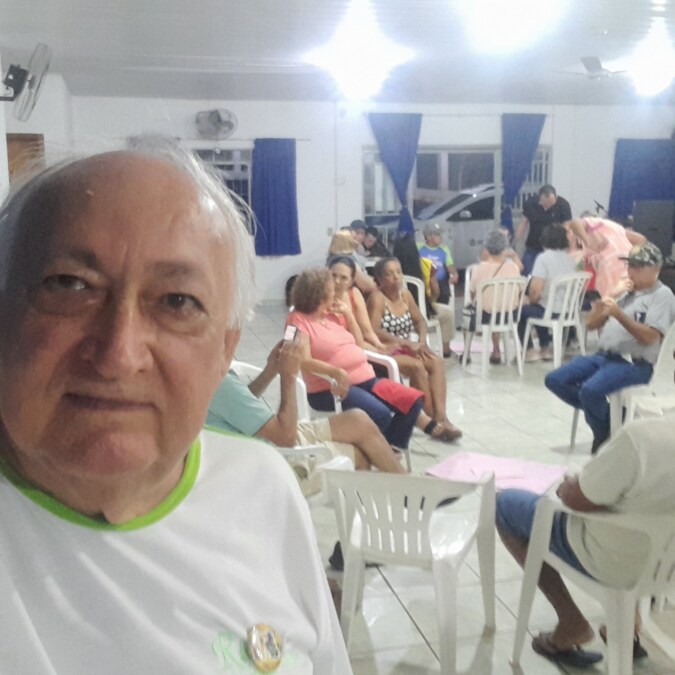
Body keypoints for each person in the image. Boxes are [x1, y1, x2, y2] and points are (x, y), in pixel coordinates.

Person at [0, 140, 351, 674]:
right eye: (70, 285)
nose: (119, 354)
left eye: (177, 302)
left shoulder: (264, 487)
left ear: (224, 352)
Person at [496, 413, 675, 668]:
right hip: (666, 566)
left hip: (609, 559)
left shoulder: (642, 438)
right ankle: (628, 620)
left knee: (503, 505)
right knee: (644, 510)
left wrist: (569, 486)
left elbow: (577, 499)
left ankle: (571, 622)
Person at [287, 267, 459, 446]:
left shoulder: (331, 314)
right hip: (331, 388)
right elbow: (302, 360)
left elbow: (358, 343)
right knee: (380, 413)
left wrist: (348, 315)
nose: (336, 293)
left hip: (366, 379)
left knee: (413, 401)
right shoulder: (295, 320)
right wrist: (335, 372)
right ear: (319, 295)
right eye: (331, 290)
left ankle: (390, 448)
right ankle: (385, 450)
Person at [207, 338, 406, 477]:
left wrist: (270, 371)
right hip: (271, 457)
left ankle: (407, 487)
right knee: (359, 454)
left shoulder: (211, 370)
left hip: (263, 433)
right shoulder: (217, 381)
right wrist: (289, 376)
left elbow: (237, 404)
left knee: (357, 420)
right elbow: (285, 438)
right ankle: (404, 495)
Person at [545, 241, 673, 453]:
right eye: (630, 265)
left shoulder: (662, 295)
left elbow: (650, 337)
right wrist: (611, 295)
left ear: (655, 269)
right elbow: (591, 324)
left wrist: (619, 314)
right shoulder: (625, 291)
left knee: (590, 391)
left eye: (638, 266)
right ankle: (611, 421)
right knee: (555, 379)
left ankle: (603, 434)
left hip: (634, 363)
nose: (631, 271)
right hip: (604, 356)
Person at [367, 257, 462, 441]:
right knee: (417, 367)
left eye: (398, 272)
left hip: (405, 347)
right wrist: (404, 343)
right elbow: (373, 330)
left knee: (436, 361)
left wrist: (421, 341)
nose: (396, 277)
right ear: (379, 279)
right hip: (384, 350)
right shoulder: (377, 299)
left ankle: (441, 416)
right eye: (389, 274)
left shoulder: (406, 295)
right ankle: (435, 422)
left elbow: (420, 321)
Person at [519, 223, 577, 362]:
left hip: (551, 311)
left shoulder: (543, 258)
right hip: (569, 311)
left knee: (520, 311)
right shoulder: (570, 259)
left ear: (544, 239)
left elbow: (535, 292)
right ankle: (545, 349)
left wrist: (527, 300)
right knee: (539, 306)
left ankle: (530, 350)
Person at [394, 231, 456, 358]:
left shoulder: (389, 268)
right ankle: (445, 350)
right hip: (423, 312)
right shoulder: (427, 265)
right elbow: (436, 291)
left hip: (398, 313)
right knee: (447, 313)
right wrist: (429, 302)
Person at [469, 229, 523, 365]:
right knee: (498, 304)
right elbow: (520, 291)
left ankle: (469, 354)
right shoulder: (513, 268)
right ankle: (499, 351)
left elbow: (472, 293)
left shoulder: (478, 269)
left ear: (486, 248)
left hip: (485, 317)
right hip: (510, 316)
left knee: (482, 307)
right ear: (505, 248)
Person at [564, 216, 646, 298]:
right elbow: (641, 240)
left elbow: (575, 223)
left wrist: (587, 240)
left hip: (612, 273)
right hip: (629, 271)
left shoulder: (593, 224)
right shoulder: (614, 228)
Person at [328, 255, 393, 354]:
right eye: (333, 275)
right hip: (343, 348)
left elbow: (367, 331)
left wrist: (379, 345)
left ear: (351, 281)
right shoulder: (320, 299)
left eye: (343, 278)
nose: (337, 281)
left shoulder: (354, 293)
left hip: (359, 344)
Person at [516, 185, 572, 275]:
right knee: (526, 272)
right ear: (539, 198)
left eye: (550, 204)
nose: (547, 207)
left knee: (551, 274)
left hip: (554, 248)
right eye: (544, 204)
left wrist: (567, 246)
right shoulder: (531, 203)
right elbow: (523, 224)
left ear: (556, 197)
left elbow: (567, 227)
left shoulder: (563, 205)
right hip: (533, 246)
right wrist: (515, 241)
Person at [417, 222, 458, 304]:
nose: (441, 237)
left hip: (440, 282)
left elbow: (450, 265)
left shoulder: (444, 249)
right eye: (437, 235)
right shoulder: (419, 247)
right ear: (428, 237)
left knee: (443, 291)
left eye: (440, 234)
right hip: (424, 282)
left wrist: (454, 274)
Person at [327, 230, 375, 295]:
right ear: (347, 242)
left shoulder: (330, 259)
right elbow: (367, 286)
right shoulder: (346, 262)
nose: (356, 242)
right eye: (353, 238)